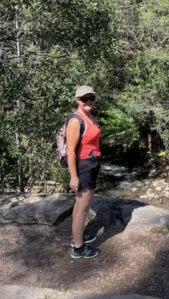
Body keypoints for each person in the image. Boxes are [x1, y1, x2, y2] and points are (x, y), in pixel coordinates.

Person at [67, 85, 102, 259]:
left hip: (92, 162)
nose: (88, 101)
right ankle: (79, 248)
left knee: (81, 205)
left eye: (91, 98)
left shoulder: (90, 116)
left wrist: (98, 162)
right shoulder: (75, 120)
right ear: (77, 100)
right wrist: (74, 176)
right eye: (84, 99)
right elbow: (71, 151)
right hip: (84, 166)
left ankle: (78, 235)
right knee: (83, 208)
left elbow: (94, 143)